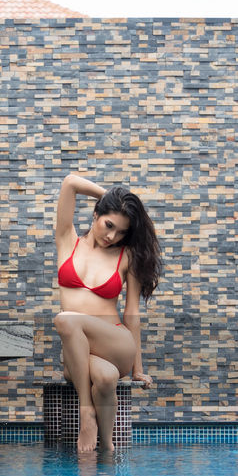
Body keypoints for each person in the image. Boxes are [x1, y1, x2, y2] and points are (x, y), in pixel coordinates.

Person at [53, 173, 162, 453]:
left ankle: (87, 413)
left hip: (116, 342)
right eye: (109, 225)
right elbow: (70, 183)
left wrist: (138, 370)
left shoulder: (125, 256)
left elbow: (132, 313)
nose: (112, 236)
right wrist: (110, 196)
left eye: (121, 232)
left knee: (65, 320)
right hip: (82, 352)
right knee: (104, 378)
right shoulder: (67, 240)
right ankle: (108, 450)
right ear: (96, 213)